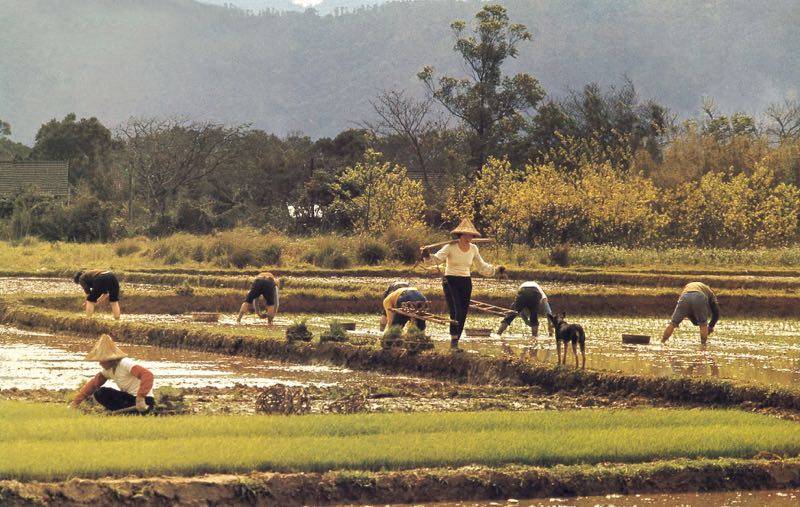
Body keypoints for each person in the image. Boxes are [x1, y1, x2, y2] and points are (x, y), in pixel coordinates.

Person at [421, 218, 504, 349]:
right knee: (455, 309)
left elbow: (481, 267)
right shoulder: (450, 247)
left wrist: (496, 269)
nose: (469, 237)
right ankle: (453, 339)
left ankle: (456, 340)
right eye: (466, 234)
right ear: (460, 235)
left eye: (471, 235)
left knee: (463, 311)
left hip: (466, 281)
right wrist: (426, 256)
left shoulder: (474, 249)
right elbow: (436, 259)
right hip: (450, 281)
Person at [71, 334, 155, 413]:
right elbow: (93, 384)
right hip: (129, 400)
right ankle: (126, 412)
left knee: (102, 392)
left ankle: (133, 412)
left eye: (102, 360)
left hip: (144, 400)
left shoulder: (125, 363)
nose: (100, 363)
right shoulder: (108, 370)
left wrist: (140, 398)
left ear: (111, 359)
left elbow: (148, 375)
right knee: (100, 393)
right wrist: (75, 403)